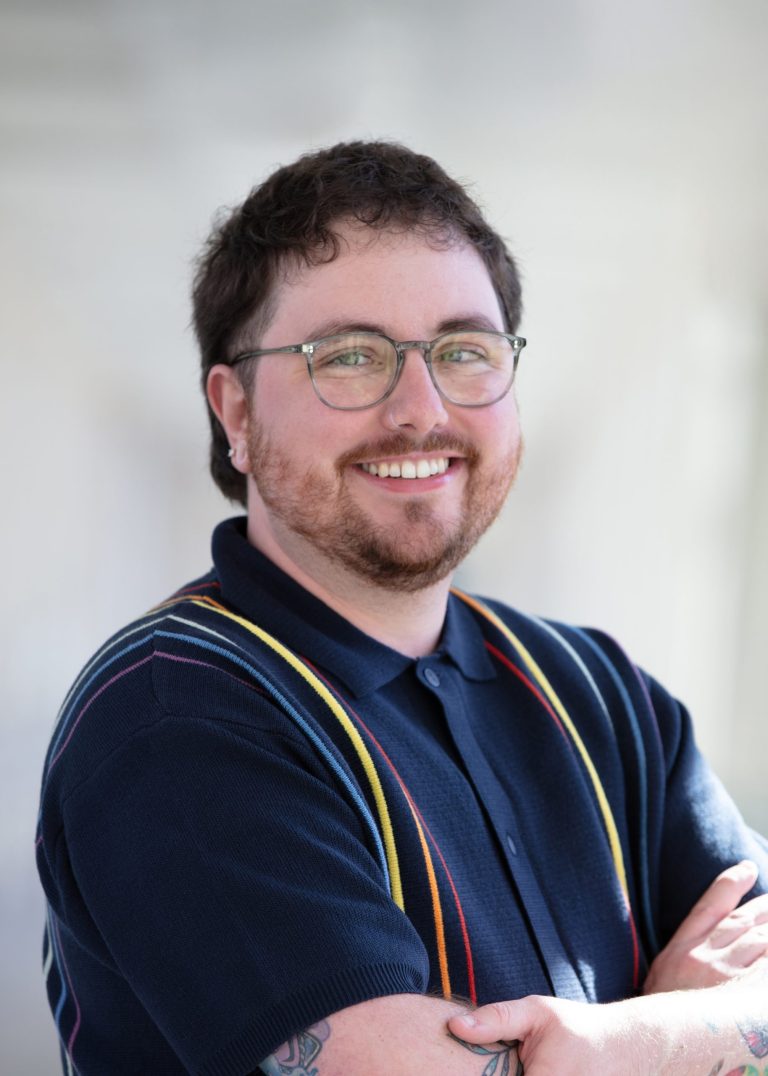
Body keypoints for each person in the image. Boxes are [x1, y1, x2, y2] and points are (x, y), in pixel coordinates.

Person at [36, 141, 768, 1076]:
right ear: (236, 414)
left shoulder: (603, 693)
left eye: (464, 351)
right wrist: (682, 1029)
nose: (420, 409)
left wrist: (612, 1047)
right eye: (349, 357)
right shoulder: (175, 718)